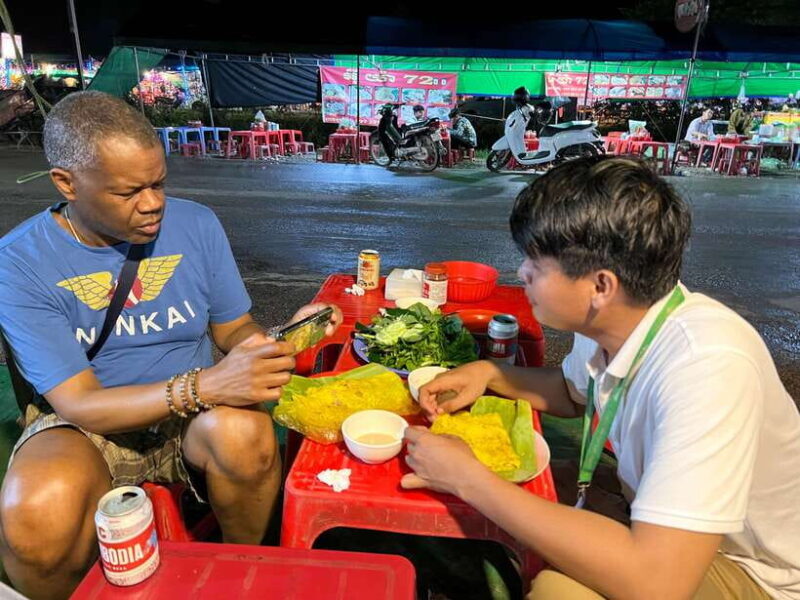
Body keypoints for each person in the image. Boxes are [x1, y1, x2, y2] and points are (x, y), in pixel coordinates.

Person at [403, 156, 800, 600]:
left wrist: (468, 479)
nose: (523, 273)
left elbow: (659, 584)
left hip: (747, 570)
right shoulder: (616, 319)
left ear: (600, 286)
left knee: (557, 591)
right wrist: (489, 372)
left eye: (536, 261)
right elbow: (576, 394)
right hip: (652, 514)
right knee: (526, 486)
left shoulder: (707, 366)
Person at [0, 91, 343, 600]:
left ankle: (241, 572)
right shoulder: (20, 262)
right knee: (37, 512)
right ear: (66, 184)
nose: (153, 202)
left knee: (245, 437)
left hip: (192, 418)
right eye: (128, 192)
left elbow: (232, 331)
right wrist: (205, 384)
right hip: (86, 427)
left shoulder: (197, 224)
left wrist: (273, 345)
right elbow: (81, 404)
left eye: (158, 182)